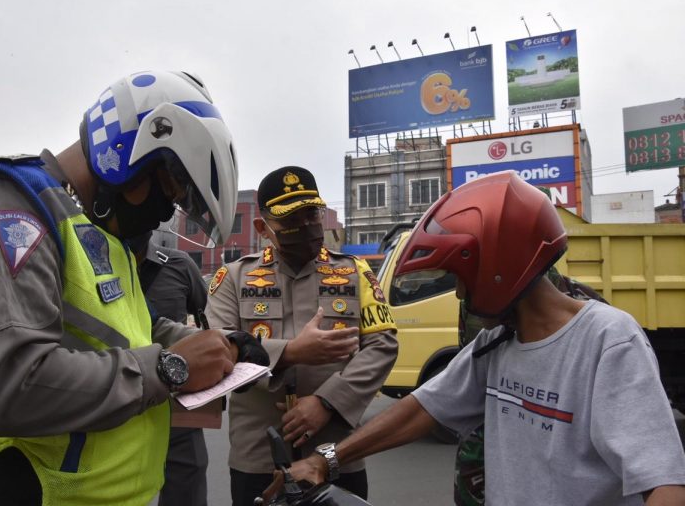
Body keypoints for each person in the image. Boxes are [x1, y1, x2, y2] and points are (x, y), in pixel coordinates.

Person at [0, 70, 265, 505]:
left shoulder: (96, 236)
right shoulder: (5, 209)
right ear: (126, 153)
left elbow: (133, 330)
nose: (162, 216)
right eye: (168, 193)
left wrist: (217, 345)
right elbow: (7, 388)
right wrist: (169, 368)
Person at [277, 171, 685, 505]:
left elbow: (663, 482)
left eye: (460, 281)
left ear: (498, 266)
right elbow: (424, 409)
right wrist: (326, 459)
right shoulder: (498, 343)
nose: (458, 295)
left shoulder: (608, 341)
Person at [205, 166, 399, 506]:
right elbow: (218, 352)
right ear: (262, 228)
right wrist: (290, 352)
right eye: (291, 220)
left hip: (338, 452)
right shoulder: (233, 279)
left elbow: (382, 346)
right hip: (257, 457)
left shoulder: (354, 271)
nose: (306, 227)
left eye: (312, 215)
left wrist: (328, 402)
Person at [454, 267, 609, 505]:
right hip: (487, 441)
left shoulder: (599, 324)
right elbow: (466, 370)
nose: (459, 293)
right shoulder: (479, 305)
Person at [127, 230, 210, 506]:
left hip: (176, 407)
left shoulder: (180, 264)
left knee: (188, 488)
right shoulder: (92, 260)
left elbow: (205, 320)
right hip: (117, 402)